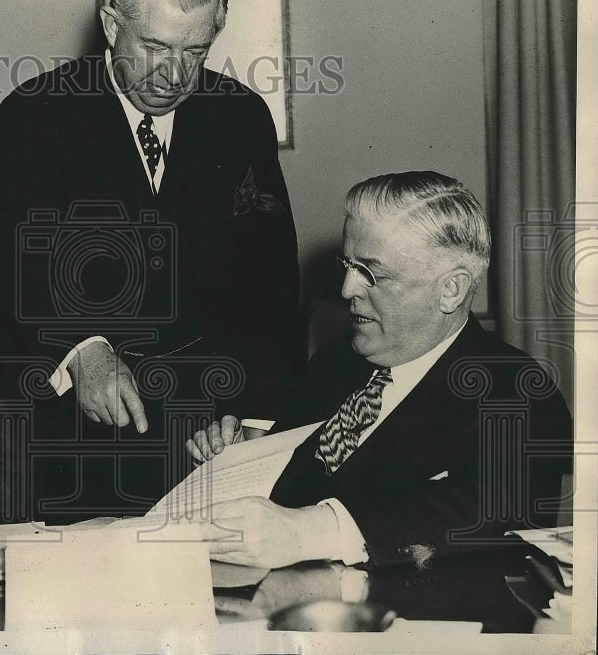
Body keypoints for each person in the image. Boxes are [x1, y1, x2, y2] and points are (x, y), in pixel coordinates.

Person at [0, 0, 302, 521]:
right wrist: (81, 348)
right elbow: (13, 268)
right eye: (153, 47)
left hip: (211, 441)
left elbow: (274, 284)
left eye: (195, 51)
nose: (173, 74)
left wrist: (256, 415)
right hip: (78, 448)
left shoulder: (241, 118)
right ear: (111, 25)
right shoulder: (37, 115)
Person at [187, 172, 572, 568]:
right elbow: (291, 476)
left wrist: (309, 531)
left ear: (451, 289)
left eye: (371, 273)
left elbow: (493, 512)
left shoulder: (519, 392)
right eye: (349, 265)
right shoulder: (336, 361)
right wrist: (240, 458)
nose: (347, 289)